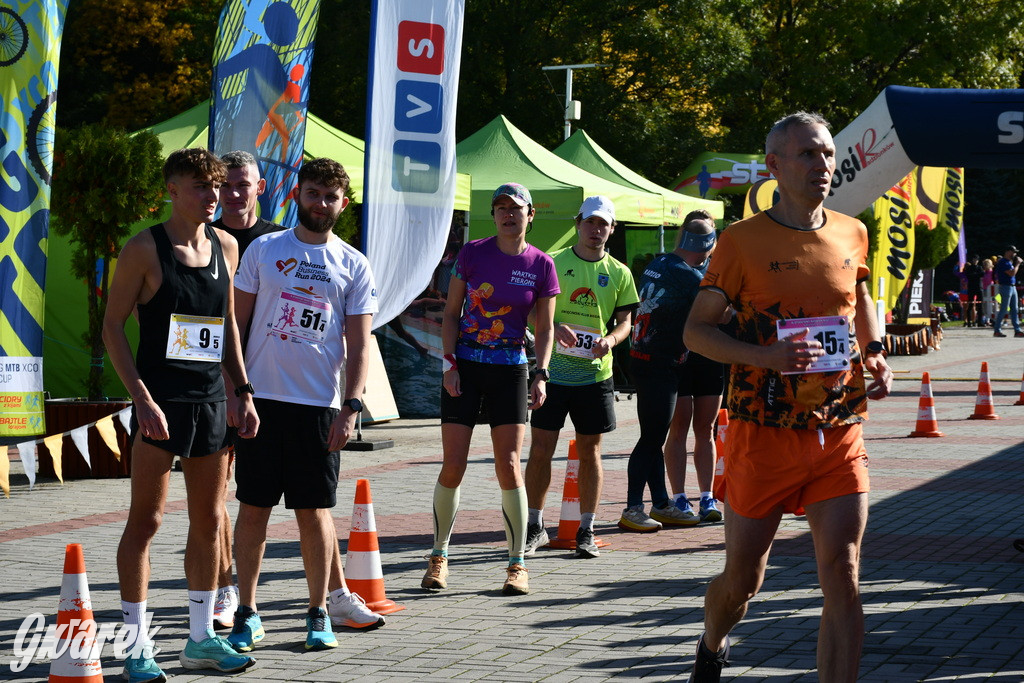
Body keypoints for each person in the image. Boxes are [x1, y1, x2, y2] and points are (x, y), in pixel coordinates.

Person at [683, 112, 892, 682]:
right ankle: (711, 641)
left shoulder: (853, 231)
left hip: (838, 430)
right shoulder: (740, 242)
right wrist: (766, 357)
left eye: (826, 154)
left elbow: (862, 293)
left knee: (843, 573)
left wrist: (872, 349)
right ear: (774, 166)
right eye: (807, 155)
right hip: (763, 434)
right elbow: (696, 332)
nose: (821, 165)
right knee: (743, 580)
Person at [103, 147, 258, 680]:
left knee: (209, 520)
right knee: (145, 521)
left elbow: (229, 324)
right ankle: (135, 646)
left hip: (211, 402)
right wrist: (140, 397)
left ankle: (200, 640)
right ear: (172, 189)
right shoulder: (144, 249)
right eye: (200, 186)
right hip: (159, 406)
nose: (213, 196)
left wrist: (243, 389)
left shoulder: (228, 246)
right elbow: (112, 326)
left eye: (216, 187)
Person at [227, 157, 385, 654]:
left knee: (313, 512)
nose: (320, 203)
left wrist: (352, 406)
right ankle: (247, 613)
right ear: (297, 194)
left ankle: (319, 612)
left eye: (330, 196)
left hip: (318, 404)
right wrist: (239, 391)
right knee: (253, 510)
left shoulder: (353, 264)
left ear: (343, 204)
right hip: (262, 402)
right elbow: (234, 325)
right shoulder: (265, 250)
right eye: (312, 193)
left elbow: (360, 346)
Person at [422, 182, 558, 595]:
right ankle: (438, 557)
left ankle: (517, 564)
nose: (507, 214)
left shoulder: (542, 264)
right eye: (499, 208)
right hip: (465, 365)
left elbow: (546, 326)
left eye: (515, 208)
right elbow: (450, 314)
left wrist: (542, 372)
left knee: (509, 464)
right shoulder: (473, 252)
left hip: (511, 368)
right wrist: (449, 364)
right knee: (454, 464)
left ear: (530, 214)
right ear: (493, 215)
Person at [524, 196, 638, 558]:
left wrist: (611, 340)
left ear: (612, 229)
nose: (596, 229)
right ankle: (534, 525)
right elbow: (529, 312)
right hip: (552, 373)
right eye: (590, 222)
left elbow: (625, 322)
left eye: (603, 224)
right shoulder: (553, 262)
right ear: (578, 223)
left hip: (595, 376)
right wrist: (554, 327)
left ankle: (586, 530)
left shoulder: (620, 272)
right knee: (541, 450)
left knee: (591, 452)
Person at [207, 150, 286, 631]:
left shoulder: (278, 240)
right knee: (212, 492)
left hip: (271, 384)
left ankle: (334, 593)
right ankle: (223, 586)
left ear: (261, 187)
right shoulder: (200, 237)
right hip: (212, 383)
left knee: (303, 495)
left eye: (244, 185)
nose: (234, 195)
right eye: (226, 186)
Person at [619, 210, 723, 532]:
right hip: (660, 366)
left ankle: (662, 504)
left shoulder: (658, 262)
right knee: (651, 439)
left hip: (643, 359)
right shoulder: (689, 276)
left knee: (655, 435)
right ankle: (633, 508)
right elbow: (724, 314)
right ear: (708, 245)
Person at [660, 211, 727, 525]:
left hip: (710, 356)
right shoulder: (672, 266)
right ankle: (679, 498)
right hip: (677, 356)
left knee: (706, 430)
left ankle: (707, 497)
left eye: (708, 234)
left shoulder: (719, 269)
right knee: (678, 429)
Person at [992, 246, 1023, 337]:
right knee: (1004, 309)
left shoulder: (1009, 262)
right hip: (1005, 287)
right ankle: (997, 330)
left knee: (1015, 309)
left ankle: (1017, 330)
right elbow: (1012, 273)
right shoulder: (1003, 262)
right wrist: (1017, 264)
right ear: (1008, 252)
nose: (1015, 254)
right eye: (1013, 252)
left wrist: (1015, 264)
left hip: (1012, 287)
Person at [959, 254, 983, 327]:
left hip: (978, 288)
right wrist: (976, 275)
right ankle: (969, 321)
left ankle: (979, 321)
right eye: (974, 259)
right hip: (971, 288)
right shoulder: (969, 268)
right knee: (970, 305)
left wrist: (975, 275)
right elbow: (969, 275)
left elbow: (982, 274)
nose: (975, 261)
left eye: (976, 260)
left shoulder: (979, 267)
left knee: (980, 306)